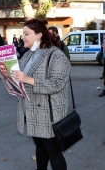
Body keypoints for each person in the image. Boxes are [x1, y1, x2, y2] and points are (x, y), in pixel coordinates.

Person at [11, 19, 71, 169]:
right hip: (31, 111)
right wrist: (0, 68)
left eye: (26, 33)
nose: (22, 37)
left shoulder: (56, 55)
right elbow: (16, 75)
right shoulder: (27, 55)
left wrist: (28, 79)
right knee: (40, 147)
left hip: (49, 114)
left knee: (53, 151)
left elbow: (57, 83)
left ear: (38, 35)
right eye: (22, 34)